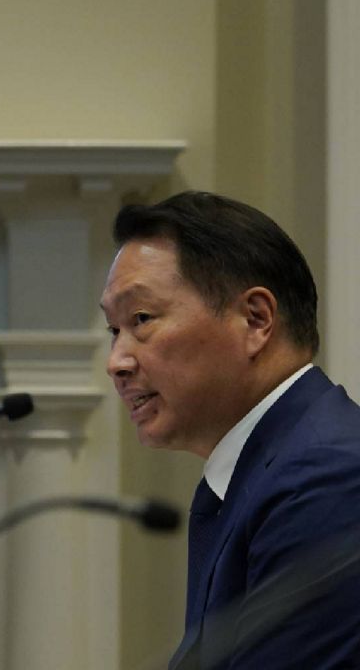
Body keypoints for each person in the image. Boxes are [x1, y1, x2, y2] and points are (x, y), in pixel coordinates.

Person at [100, 191, 360, 667]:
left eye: (141, 319)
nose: (116, 362)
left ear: (255, 319)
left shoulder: (326, 478)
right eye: (113, 331)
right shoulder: (265, 470)